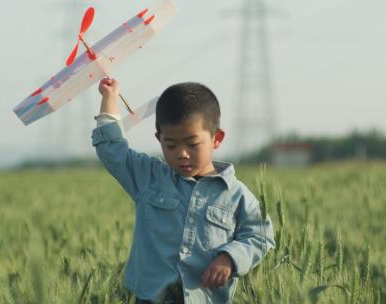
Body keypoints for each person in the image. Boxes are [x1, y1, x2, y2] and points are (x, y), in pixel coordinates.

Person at [92, 77, 275, 303]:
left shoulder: (237, 195)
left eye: (192, 144)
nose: (182, 153)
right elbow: (112, 150)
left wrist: (230, 258)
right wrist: (110, 98)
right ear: (159, 139)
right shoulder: (149, 178)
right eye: (170, 145)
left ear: (216, 139)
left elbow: (260, 236)